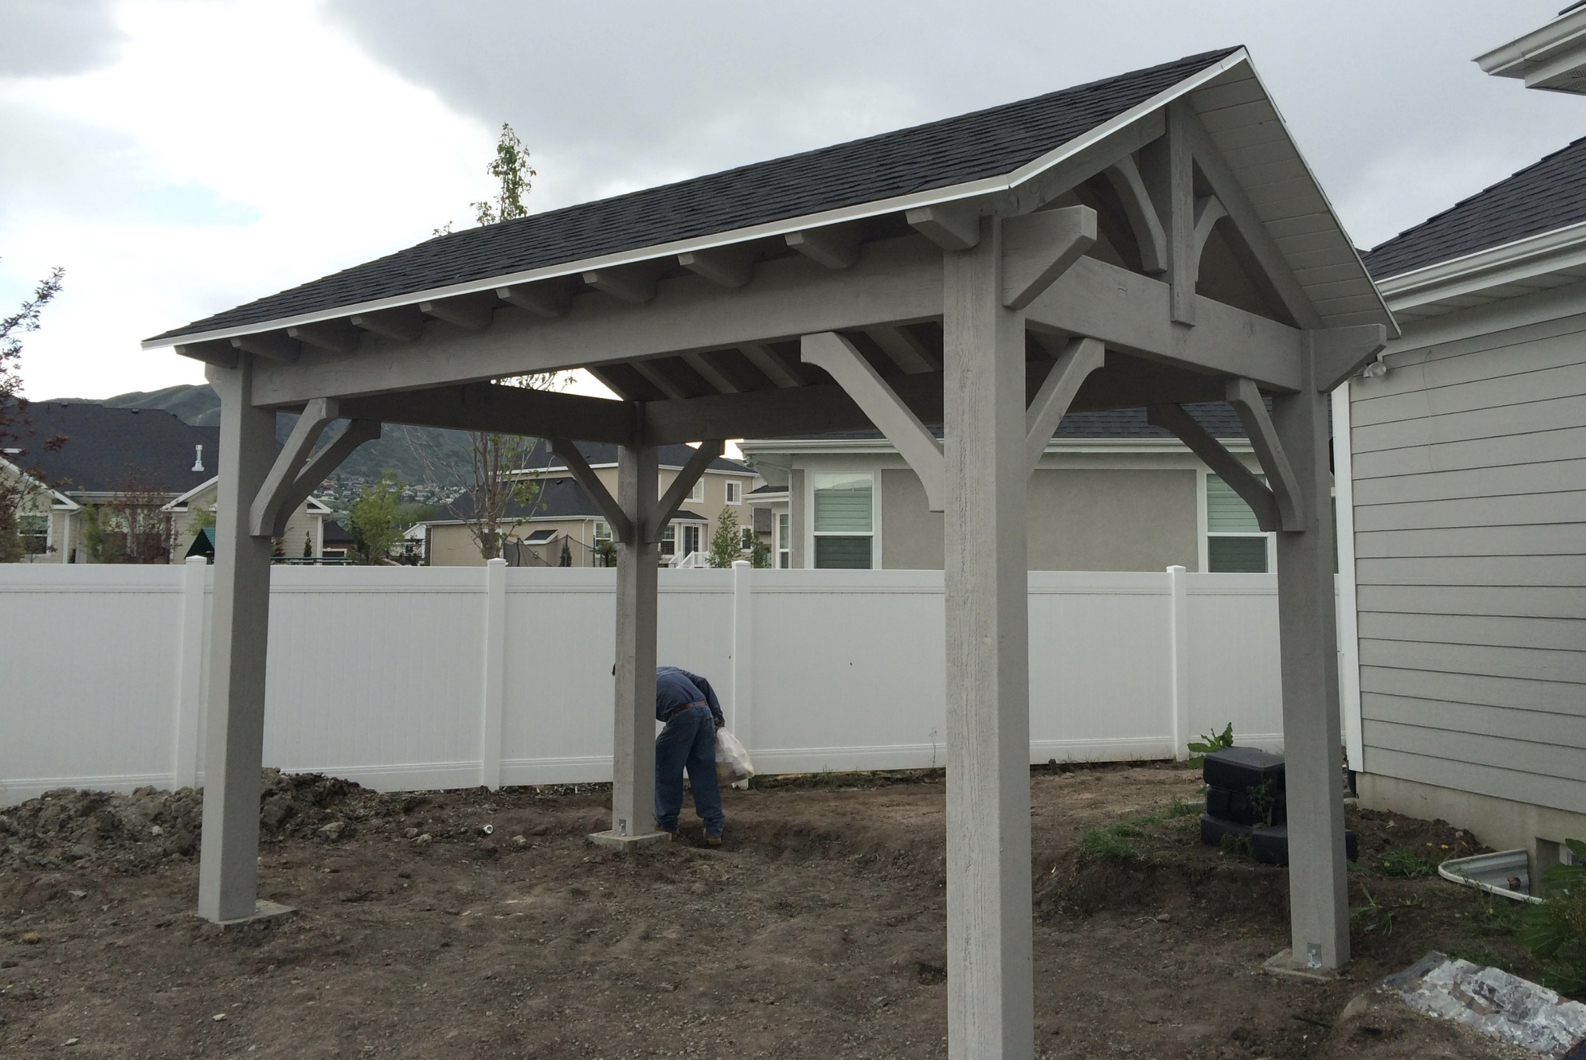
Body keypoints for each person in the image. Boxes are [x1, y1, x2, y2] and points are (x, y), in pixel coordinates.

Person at [653, 664, 725, 846]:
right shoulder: (667, 670)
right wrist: (717, 715)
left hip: (681, 715)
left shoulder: (638, 682)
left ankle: (666, 825)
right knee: (704, 773)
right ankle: (714, 830)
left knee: (666, 769)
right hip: (704, 712)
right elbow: (702, 682)